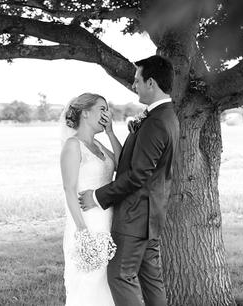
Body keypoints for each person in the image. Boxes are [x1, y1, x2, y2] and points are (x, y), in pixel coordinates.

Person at [79, 55, 180, 306]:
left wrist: (96, 196)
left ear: (151, 83)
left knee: (121, 277)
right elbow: (136, 163)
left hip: (135, 217)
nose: (134, 84)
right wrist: (113, 132)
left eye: (137, 80)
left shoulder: (156, 122)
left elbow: (137, 175)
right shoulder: (166, 116)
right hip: (151, 216)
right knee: (151, 280)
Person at [60, 93, 122, 306]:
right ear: (85, 113)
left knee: (106, 283)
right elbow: (69, 190)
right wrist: (82, 231)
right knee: (89, 283)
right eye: (102, 109)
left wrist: (111, 133)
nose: (107, 114)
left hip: (108, 221)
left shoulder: (99, 145)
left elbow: (123, 166)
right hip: (87, 224)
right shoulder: (73, 145)